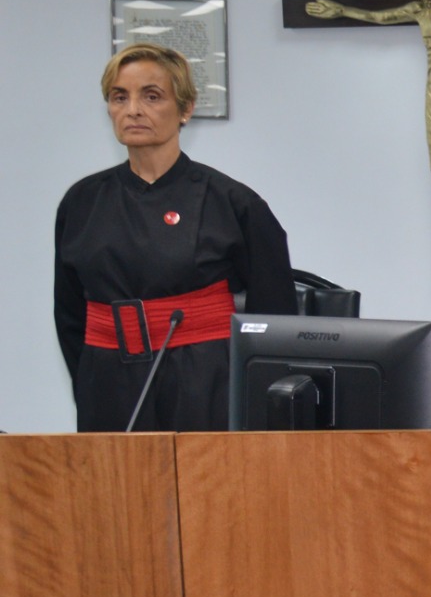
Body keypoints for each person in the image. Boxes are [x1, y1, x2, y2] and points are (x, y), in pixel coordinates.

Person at [54, 43, 295, 432]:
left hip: (205, 381)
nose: (133, 109)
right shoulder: (81, 202)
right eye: (119, 97)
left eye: (152, 96)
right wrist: (89, 382)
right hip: (107, 382)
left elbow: (275, 320)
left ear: (185, 109)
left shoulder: (233, 203)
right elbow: (69, 315)